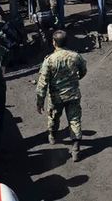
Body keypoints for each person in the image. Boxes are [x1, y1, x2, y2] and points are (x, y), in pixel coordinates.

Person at [36, 30, 88, 160]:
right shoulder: (75, 56)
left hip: (56, 97)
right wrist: (75, 80)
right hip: (73, 94)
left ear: (54, 43)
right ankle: (76, 148)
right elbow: (83, 71)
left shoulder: (49, 60)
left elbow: (42, 83)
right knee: (74, 120)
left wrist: (40, 101)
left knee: (53, 117)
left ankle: (53, 136)